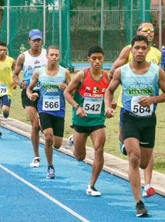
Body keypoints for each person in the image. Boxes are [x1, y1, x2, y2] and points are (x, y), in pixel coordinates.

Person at [105, 35, 165, 217]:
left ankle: (125, 146)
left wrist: (153, 99)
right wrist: (108, 106)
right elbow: (109, 90)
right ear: (131, 50)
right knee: (134, 158)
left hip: (148, 120)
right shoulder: (122, 71)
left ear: (148, 49)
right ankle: (139, 203)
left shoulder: (156, 71)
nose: (140, 51)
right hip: (129, 118)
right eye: (137, 48)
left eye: (144, 48)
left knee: (143, 162)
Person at [108, 21, 162, 198]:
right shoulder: (127, 50)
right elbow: (114, 69)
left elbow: (161, 81)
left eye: (151, 30)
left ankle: (148, 182)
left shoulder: (157, 54)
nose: (148, 33)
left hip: (147, 106)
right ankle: (142, 192)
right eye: (144, 30)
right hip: (127, 104)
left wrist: (154, 95)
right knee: (132, 151)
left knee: (144, 157)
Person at [64, 45, 110, 196]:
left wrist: (110, 106)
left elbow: (109, 96)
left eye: (100, 58)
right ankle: (73, 137)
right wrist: (77, 106)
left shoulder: (107, 77)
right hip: (81, 119)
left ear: (103, 59)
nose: (97, 61)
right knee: (80, 156)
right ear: (88, 59)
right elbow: (67, 92)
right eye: (94, 58)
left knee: (99, 148)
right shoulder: (81, 75)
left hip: (97, 120)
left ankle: (92, 185)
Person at [26, 45, 71, 179]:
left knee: (57, 144)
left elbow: (74, 89)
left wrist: (67, 88)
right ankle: (50, 167)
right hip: (44, 110)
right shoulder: (39, 73)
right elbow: (29, 89)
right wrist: (30, 95)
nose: (54, 57)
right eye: (51, 55)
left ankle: (53, 137)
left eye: (56, 55)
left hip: (59, 112)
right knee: (49, 136)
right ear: (47, 56)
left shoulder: (65, 73)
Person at [13, 29, 47, 168]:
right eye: (34, 40)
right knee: (35, 124)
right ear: (29, 41)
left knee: (46, 127)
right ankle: (36, 156)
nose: (36, 43)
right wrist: (21, 83)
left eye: (38, 40)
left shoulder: (47, 54)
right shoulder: (23, 57)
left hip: (45, 92)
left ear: (41, 41)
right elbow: (14, 75)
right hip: (29, 92)